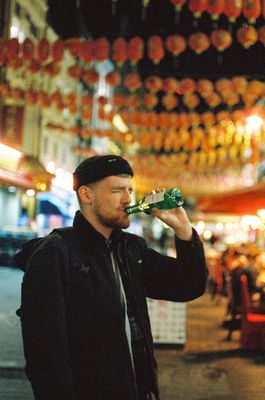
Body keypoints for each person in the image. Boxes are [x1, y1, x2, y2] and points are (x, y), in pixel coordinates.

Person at [15, 154, 207, 400]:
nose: (128, 199)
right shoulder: (56, 253)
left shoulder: (130, 249)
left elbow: (187, 286)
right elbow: (45, 354)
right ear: (87, 195)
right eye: (117, 190)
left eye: (130, 189)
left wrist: (184, 232)